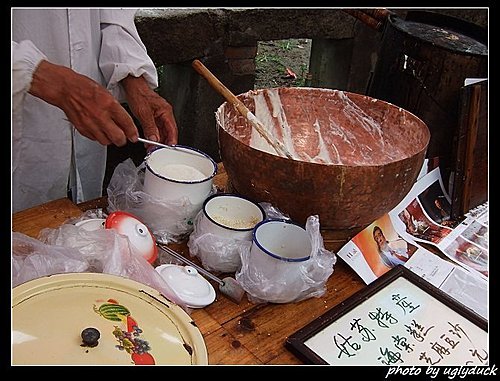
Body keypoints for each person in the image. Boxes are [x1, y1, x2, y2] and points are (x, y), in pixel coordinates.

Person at [12, 8, 178, 213]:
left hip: (88, 141)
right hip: (23, 120)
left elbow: (113, 14)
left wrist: (133, 77)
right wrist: (38, 73)